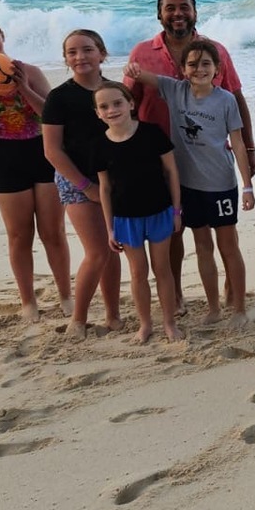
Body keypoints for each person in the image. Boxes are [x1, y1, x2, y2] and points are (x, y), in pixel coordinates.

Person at [124, 0, 255, 310]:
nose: (178, 13)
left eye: (185, 7)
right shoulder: (142, 52)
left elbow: (236, 98)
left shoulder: (217, 51)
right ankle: (177, 296)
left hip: (211, 163)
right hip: (158, 162)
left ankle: (231, 295)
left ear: (196, 12)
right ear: (159, 14)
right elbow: (127, 105)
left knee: (226, 238)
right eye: (170, 8)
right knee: (173, 234)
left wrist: (249, 149)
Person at [0, 15, 71, 323]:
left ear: (3, 36)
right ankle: (29, 302)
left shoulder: (30, 71)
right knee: (19, 235)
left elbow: (53, 118)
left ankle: (66, 296)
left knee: (53, 233)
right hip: (5, 162)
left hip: (43, 156)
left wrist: (21, 86)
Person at [43, 29, 123, 336]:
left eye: (87, 50)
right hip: (74, 180)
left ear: (102, 53)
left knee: (113, 247)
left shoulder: (115, 92)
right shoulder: (59, 97)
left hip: (112, 179)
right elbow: (52, 151)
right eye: (72, 52)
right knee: (97, 251)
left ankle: (114, 316)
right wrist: (84, 186)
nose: (80, 57)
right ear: (65, 59)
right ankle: (78, 319)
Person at [92, 80, 183, 343]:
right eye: (104, 106)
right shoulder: (99, 145)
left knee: (162, 268)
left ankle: (169, 322)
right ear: (98, 113)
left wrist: (176, 211)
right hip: (125, 218)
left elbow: (171, 172)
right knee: (137, 272)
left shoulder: (152, 133)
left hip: (159, 212)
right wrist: (110, 227)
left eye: (118, 103)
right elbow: (105, 188)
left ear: (131, 104)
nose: (112, 110)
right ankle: (145, 325)